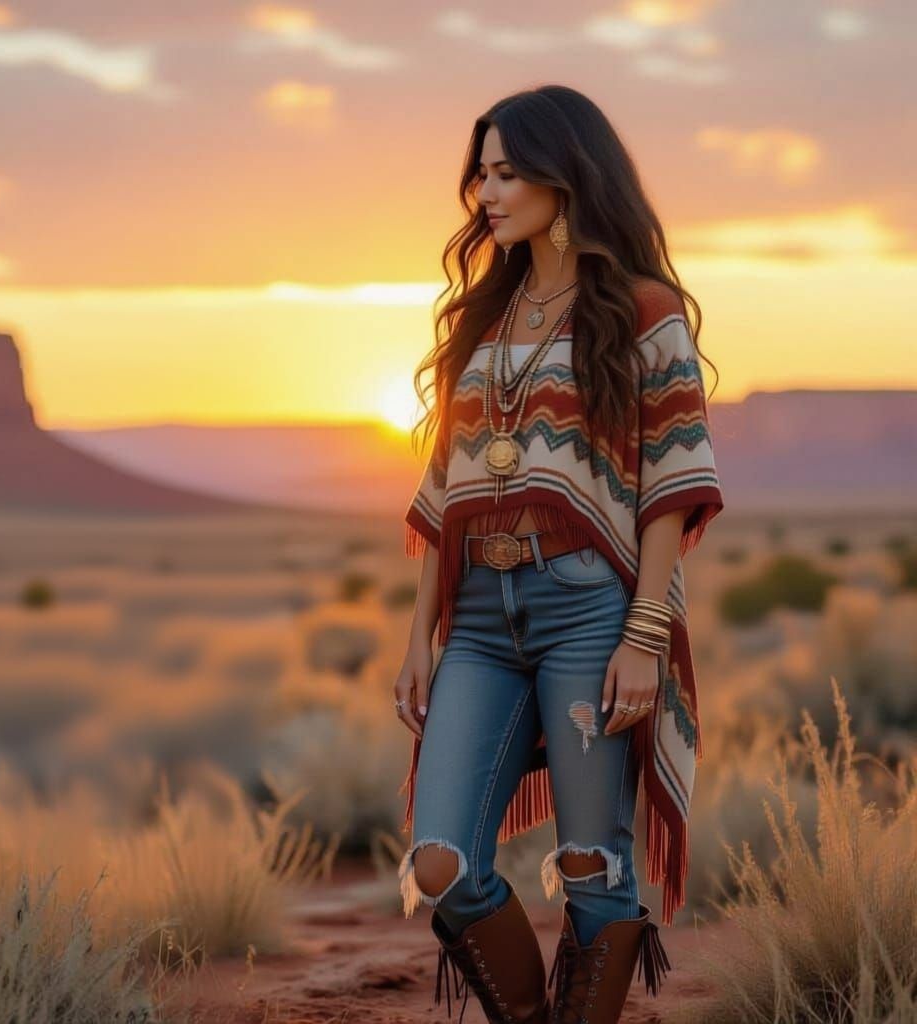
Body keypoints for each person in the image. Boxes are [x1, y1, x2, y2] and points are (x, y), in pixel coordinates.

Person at [391, 85, 725, 1024]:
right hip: (478, 618)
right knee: (442, 862)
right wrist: (419, 637)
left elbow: (669, 484)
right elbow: (447, 491)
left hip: (590, 609)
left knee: (591, 865)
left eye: (506, 174)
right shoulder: (485, 318)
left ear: (564, 177)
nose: (486, 195)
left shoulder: (643, 310)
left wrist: (643, 635)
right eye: (481, 176)